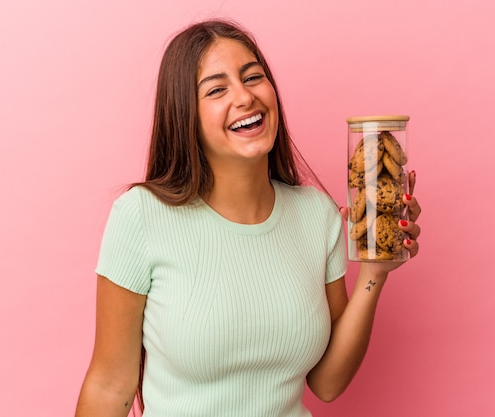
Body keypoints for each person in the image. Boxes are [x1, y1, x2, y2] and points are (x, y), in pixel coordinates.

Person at [75, 18, 421, 417]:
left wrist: (376, 272)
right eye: (217, 89)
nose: (244, 97)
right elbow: (108, 387)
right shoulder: (142, 217)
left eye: (253, 77)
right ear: (184, 114)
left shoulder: (316, 215)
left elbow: (326, 383)